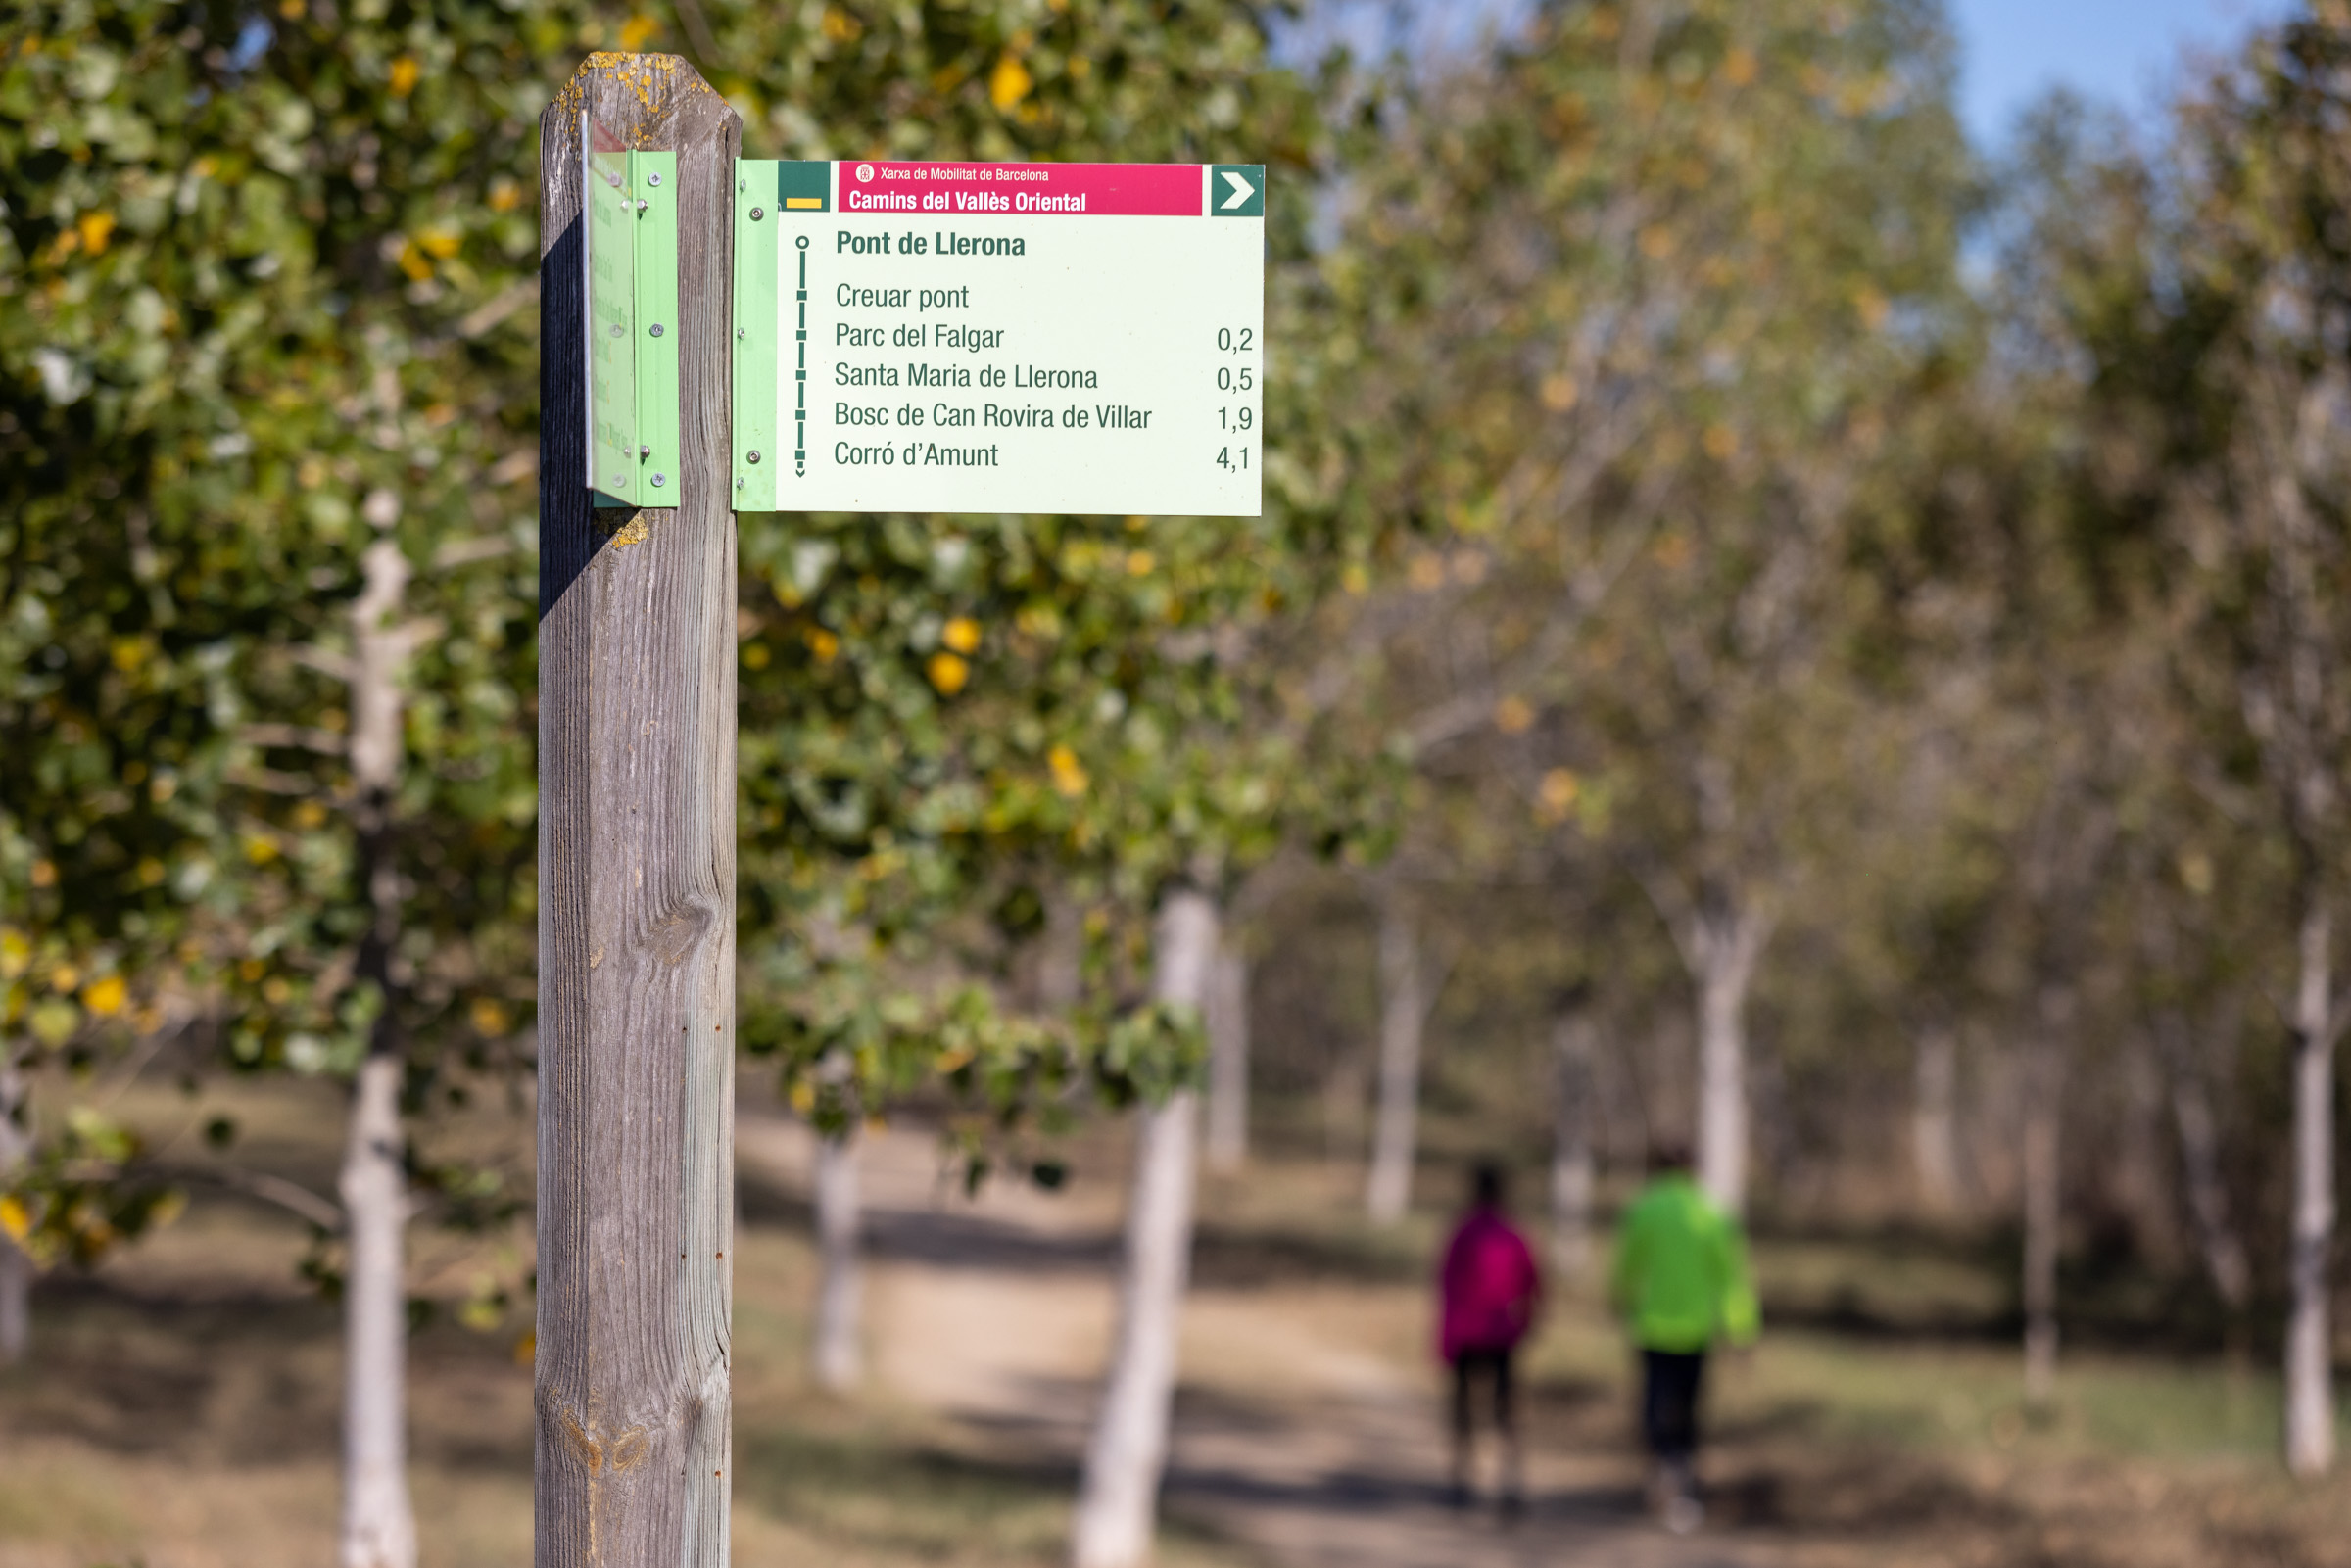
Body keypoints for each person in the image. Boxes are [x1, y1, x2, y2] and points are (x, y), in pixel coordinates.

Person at [1609, 1142, 1759, 1535]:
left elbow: (1627, 1267)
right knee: (1689, 1406)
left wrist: (1619, 1301)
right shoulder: (1711, 1213)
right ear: (1695, 1169)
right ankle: (1683, 1478)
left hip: (1653, 1325)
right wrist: (1742, 1329)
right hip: (1696, 1329)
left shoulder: (1644, 1209)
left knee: (1655, 1401)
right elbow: (1731, 1279)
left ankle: (1662, 1469)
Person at [1437, 1161, 1542, 1515]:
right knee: (1505, 1412)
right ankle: (1510, 1482)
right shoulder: (1513, 1232)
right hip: (1502, 1334)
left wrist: (1444, 1338)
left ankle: (1461, 1482)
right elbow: (1533, 1282)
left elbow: (1446, 1286)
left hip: (1468, 1333)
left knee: (1464, 1409)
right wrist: (1527, 1323)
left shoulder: (1463, 1232)